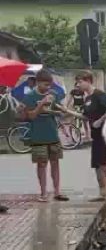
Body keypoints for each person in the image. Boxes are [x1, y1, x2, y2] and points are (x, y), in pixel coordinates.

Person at [22, 69, 68, 202]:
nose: (47, 88)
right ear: (37, 83)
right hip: (38, 136)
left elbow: (58, 111)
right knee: (42, 164)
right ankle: (43, 192)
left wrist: (61, 110)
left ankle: (57, 191)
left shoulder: (53, 94)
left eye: (49, 85)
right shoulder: (30, 97)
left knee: (55, 163)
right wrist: (41, 104)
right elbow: (30, 116)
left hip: (52, 134)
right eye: (45, 85)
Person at [77, 71, 106, 201]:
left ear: (88, 81)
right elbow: (85, 116)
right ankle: (102, 193)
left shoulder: (99, 95)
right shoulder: (87, 99)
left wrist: (100, 121)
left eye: (80, 82)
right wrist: (66, 111)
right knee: (97, 164)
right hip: (95, 135)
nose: (78, 85)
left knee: (103, 163)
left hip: (104, 133)